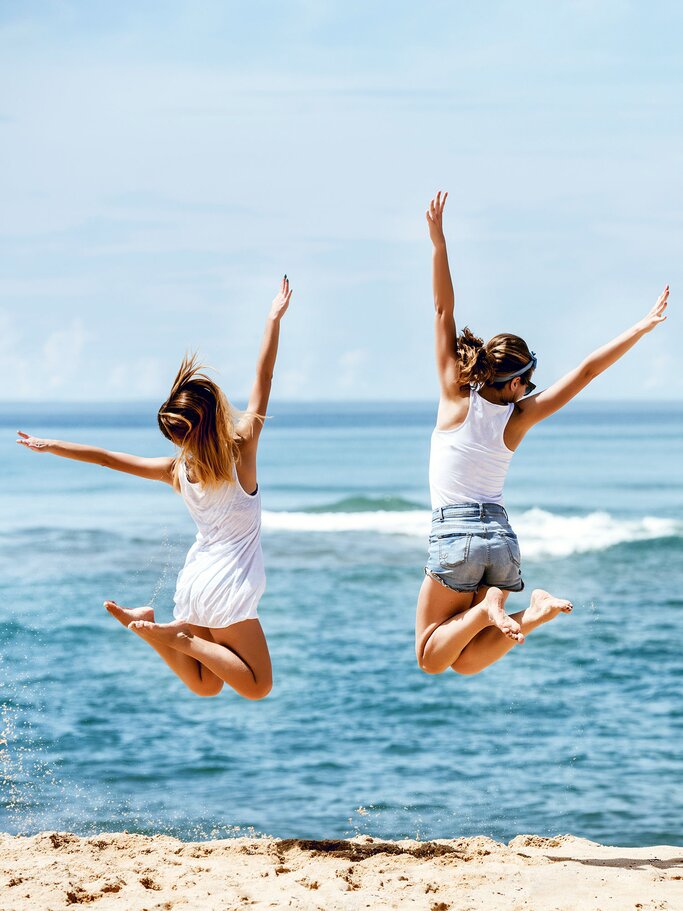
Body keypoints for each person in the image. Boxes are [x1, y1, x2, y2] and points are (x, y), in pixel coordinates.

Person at [416, 191, 669, 677]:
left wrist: (437, 241)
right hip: (502, 541)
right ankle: (529, 613)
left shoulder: (454, 396)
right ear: (513, 382)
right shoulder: (520, 417)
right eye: (526, 382)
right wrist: (640, 327)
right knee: (464, 662)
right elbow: (587, 371)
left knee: (430, 658)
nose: (529, 390)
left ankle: (489, 610)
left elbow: (442, 311)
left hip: (458, 534)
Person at [17, 276, 294, 699]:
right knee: (258, 685)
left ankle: (147, 626)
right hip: (227, 585)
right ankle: (178, 638)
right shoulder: (241, 451)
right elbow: (265, 375)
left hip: (195, 579)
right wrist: (273, 318)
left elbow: (108, 458)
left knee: (206, 685)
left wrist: (52, 445)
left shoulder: (176, 470)